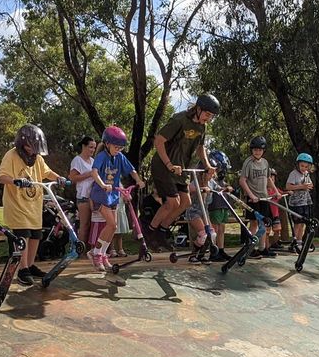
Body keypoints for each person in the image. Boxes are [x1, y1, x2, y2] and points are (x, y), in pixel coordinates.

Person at [144, 94, 219, 249]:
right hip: (163, 166)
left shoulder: (202, 127)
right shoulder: (179, 120)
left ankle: (162, 231)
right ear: (198, 109)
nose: (209, 118)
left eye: (211, 116)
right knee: (173, 202)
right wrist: (169, 163)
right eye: (207, 114)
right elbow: (158, 141)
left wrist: (208, 165)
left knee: (185, 202)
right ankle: (149, 232)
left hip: (180, 168)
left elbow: (200, 148)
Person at [0, 124, 67, 285]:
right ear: (22, 144)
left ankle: (30, 265)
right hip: (17, 205)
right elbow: (1, 176)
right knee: (23, 236)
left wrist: (58, 177)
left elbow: (47, 172)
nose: (33, 151)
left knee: (36, 235)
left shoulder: (38, 158)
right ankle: (22, 270)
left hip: (33, 205)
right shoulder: (11, 155)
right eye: (30, 147)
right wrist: (15, 181)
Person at [87, 126, 143, 271]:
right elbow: (94, 173)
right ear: (107, 144)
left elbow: (131, 170)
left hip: (113, 196)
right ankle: (96, 253)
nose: (118, 150)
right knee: (111, 224)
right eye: (116, 147)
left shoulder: (119, 157)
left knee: (114, 227)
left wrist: (139, 180)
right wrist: (103, 184)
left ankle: (103, 253)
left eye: (121, 148)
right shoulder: (101, 157)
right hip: (100, 195)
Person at [239, 136, 277, 258]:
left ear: (263, 150)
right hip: (253, 198)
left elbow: (268, 178)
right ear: (252, 150)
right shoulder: (248, 162)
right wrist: (250, 195)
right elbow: (242, 180)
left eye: (260, 150)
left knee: (264, 223)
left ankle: (262, 248)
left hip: (264, 197)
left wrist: (275, 191)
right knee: (254, 223)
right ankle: (250, 248)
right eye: (255, 149)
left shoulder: (265, 162)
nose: (257, 152)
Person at [69, 136, 98, 246]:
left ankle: (91, 249)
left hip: (94, 196)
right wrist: (88, 174)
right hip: (83, 196)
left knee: (93, 224)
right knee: (84, 224)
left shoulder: (93, 161)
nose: (92, 150)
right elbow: (72, 178)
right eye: (90, 147)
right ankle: (80, 250)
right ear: (84, 146)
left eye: (94, 148)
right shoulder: (77, 160)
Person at [204, 156, 233, 261]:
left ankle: (221, 250)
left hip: (223, 205)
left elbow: (222, 186)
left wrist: (228, 188)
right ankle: (214, 252)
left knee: (222, 229)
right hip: (215, 206)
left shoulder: (221, 181)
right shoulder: (210, 179)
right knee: (215, 229)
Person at [285, 152, 315, 248]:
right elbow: (288, 186)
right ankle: (294, 241)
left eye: (306, 167)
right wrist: (302, 186)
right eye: (302, 166)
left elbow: (310, 184)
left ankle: (299, 241)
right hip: (296, 203)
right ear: (298, 164)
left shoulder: (306, 174)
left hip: (305, 201)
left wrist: (309, 186)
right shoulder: (294, 174)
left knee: (303, 223)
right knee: (297, 223)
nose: (304, 168)